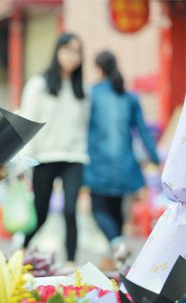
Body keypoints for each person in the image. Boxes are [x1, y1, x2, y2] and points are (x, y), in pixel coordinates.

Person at [85, 50, 160, 269]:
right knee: (116, 211)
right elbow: (143, 131)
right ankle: (116, 259)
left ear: (98, 68)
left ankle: (117, 245)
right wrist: (155, 158)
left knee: (98, 210)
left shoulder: (91, 94)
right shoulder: (130, 97)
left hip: (99, 164)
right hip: (125, 166)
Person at [20, 33, 88, 269]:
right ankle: (20, 250)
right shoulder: (38, 85)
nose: (73, 57)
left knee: (70, 210)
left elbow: (84, 125)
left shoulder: (82, 90)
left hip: (74, 157)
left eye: (77, 52)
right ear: (57, 51)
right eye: (68, 50)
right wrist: (24, 161)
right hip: (44, 157)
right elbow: (28, 121)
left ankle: (70, 262)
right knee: (40, 213)